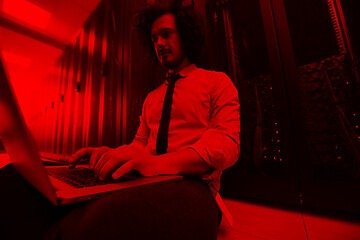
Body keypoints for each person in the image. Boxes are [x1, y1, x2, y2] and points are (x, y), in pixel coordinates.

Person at [0, 1, 240, 240]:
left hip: (195, 186)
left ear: (186, 35)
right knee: (15, 177)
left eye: (166, 34)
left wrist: (157, 164)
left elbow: (225, 145)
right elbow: (139, 145)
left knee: (101, 222)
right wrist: (110, 154)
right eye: (154, 38)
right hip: (145, 179)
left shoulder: (217, 83)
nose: (159, 43)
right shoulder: (151, 98)